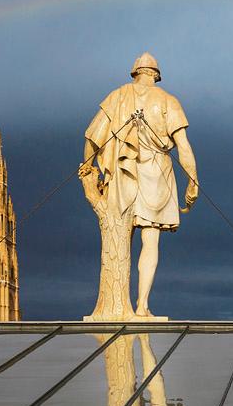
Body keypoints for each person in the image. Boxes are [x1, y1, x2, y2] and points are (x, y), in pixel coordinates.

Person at [81, 53, 198, 320]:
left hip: (124, 176)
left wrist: (88, 167)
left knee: (121, 239)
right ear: (156, 74)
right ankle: (142, 306)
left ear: (135, 73)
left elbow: (91, 134)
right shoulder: (169, 101)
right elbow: (185, 148)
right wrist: (193, 182)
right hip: (157, 176)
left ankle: (120, 306)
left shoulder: (119, 95)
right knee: (150, 240)